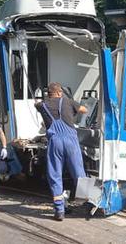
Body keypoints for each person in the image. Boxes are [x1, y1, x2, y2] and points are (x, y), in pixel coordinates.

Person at [34, 82, 87, 221]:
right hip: (70, 141)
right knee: (79, 173)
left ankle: (59, 210)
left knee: (55, 174)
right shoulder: (68, 101)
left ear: (48, 93)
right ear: (59, 92)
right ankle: (87, 203)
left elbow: (37, 105)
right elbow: (84, 109)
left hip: (55, 141)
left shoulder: (42, 105)